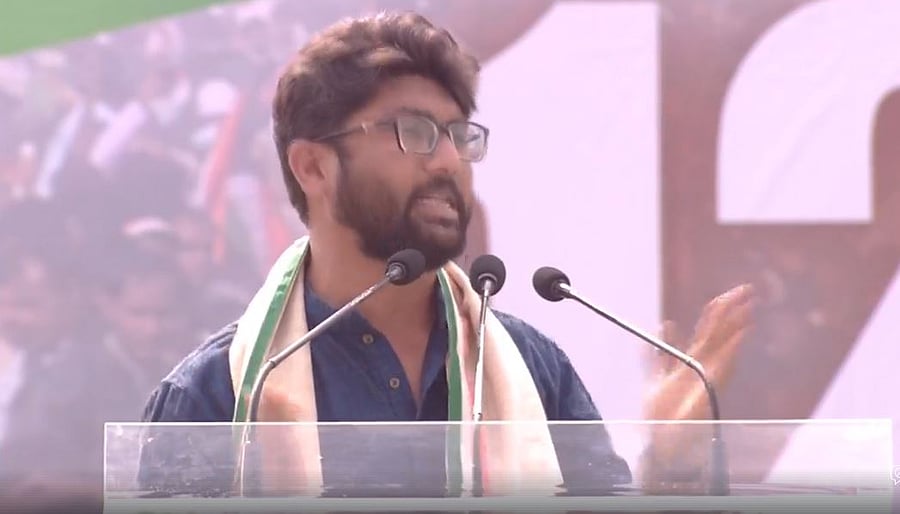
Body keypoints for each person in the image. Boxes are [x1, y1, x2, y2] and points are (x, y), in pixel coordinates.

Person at [138, 11, 753, 498]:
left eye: (459, 136)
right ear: (313, 166)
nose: (447, 162)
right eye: (415, 133)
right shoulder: (219, 394)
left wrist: (673, 472)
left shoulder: (532, 368)